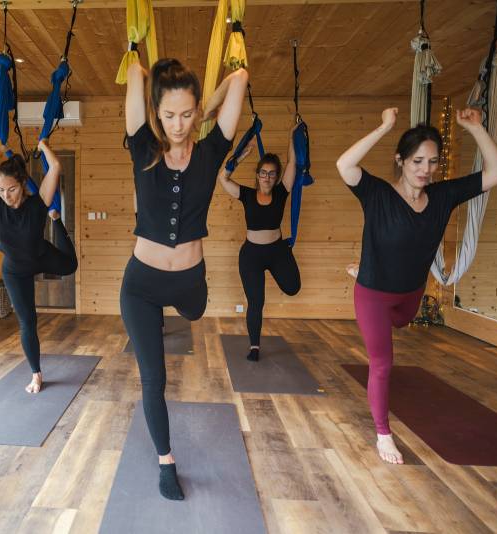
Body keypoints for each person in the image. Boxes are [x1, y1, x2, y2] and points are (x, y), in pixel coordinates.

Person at [336, 107, 497, 464]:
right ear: (401, 161)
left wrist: (476, 129)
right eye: (417, 161)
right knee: (382, 363)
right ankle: (383, 434)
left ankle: (364, 267)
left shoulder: (443, 196)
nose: (425, 170)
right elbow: (344, 165)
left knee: (403, 321)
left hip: (411, 295)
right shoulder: (378, 194)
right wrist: (384, 127)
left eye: (432, 162)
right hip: (373, 294)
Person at [122, 58, 247, 499]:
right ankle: (165, 461)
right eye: (169, 114)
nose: (178, 124)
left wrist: (210, 104)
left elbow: (241, 78)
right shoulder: (141, 145)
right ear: (157, 113)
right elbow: (136, 76)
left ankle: (175, 308)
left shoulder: (212, 151)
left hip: (189, 281)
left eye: (187, 113)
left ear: (198, 113)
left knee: (194, 311)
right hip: (140, 285)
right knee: (153, 378)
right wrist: (143, 67)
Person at [0, 140, 78, 394]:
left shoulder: (38, 203)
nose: (6, 195)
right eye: (1, 189)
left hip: (40, 255)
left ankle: (56, 221)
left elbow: (55, 165)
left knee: (71, 265)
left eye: (12, 189)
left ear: (23, 184)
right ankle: (36, 374)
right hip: (15, 270)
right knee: (28, 322)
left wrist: (43, 144)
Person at [217, 126, 301, 361]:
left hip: (276, 251)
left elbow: (292, 163)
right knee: (256, 301)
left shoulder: (283, 192)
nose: (267, 177)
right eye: (263, 173)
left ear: (276, 177)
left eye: (272, 174)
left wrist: (292, 136)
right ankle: (254, 346)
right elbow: (222, 178)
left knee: (293, 287)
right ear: (257, 175)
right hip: (251, 255)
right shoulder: (246, 194)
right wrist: (239, 157)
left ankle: (287, 250)